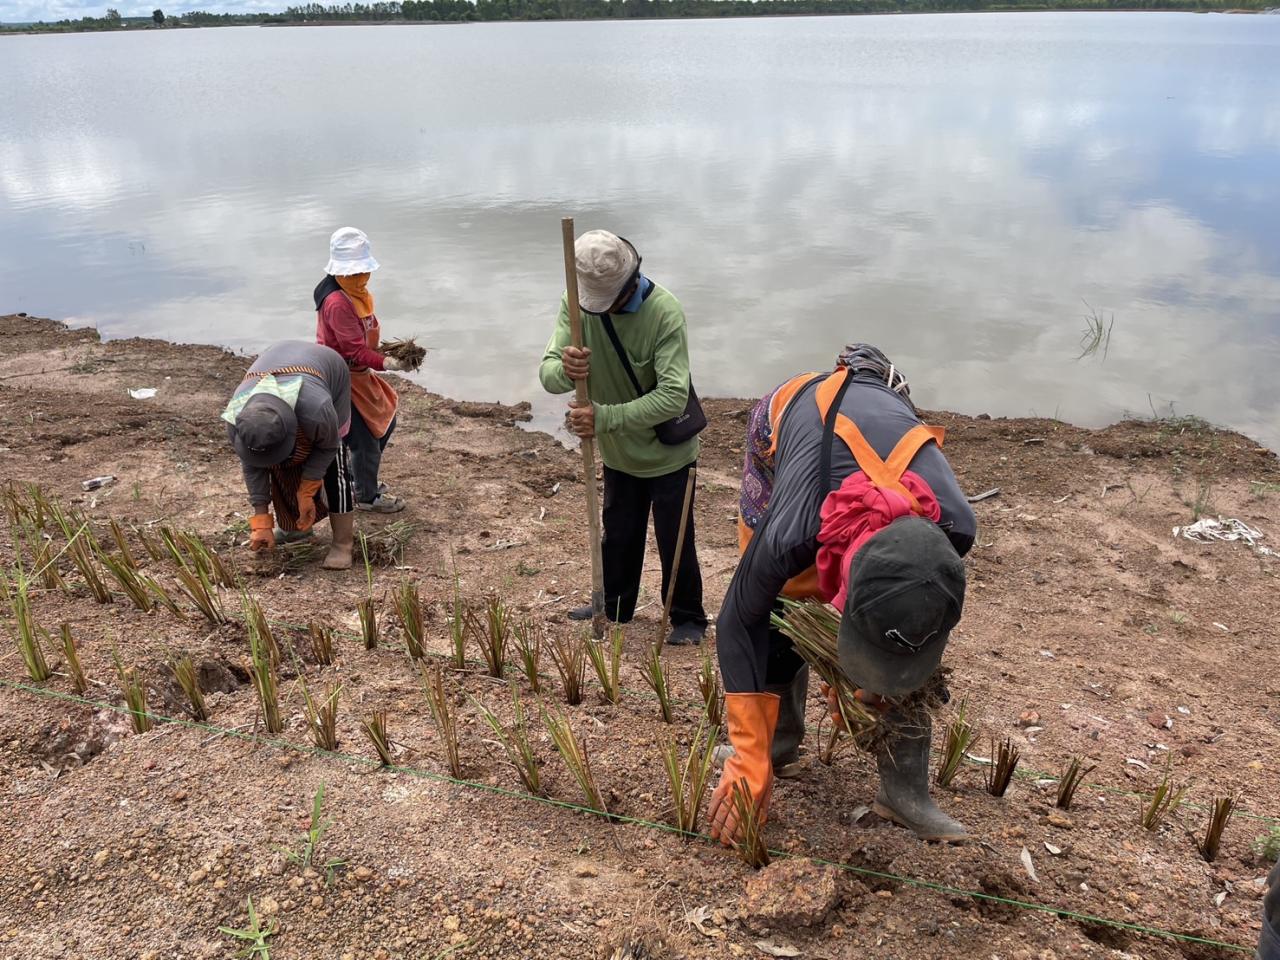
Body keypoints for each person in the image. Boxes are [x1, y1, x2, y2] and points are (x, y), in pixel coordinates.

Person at [708, 344, 978, 847]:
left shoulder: (955, 527)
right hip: (788, 421)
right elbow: (738, 619)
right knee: (783, 598)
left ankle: (904, 792)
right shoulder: (793, 529)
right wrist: (746, 755)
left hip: (872, 441)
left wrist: (871, 673)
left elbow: (913, 620)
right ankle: (774, 746)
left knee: (907, 623)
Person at [538, 230, 708, 646]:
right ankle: (615, 606)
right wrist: (567, 369)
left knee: (676, 540)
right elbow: (549, 376)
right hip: (617, 455)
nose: (601, 308)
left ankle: (688, 617)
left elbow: (672, 396)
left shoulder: (664, 311)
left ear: (631, 280)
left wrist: (605, 417)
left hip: (669, 455)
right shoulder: (575, 304)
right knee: (618, 533)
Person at [224, 341, 356, 570]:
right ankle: (295, 529)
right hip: (279, 362)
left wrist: (307, 489)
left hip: (329, 370)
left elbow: (328, 447)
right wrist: (261, 522)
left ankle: (343, 544)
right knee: (280, 462)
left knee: (336, 469)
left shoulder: (316, 408)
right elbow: (253, 466)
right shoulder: (237, 418)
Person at [314, 226, 409, 513]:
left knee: (386, 420)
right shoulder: (337, 303)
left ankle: (359, 479)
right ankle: (367, 497)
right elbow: (354, 350)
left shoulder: (357, 294)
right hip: (341, 377)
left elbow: (362, 341)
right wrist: (388, 363)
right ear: (340, 272)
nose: (362, 276)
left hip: (359, 373)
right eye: (355, 272)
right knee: (365, 437)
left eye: (364, 271)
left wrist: (387, 352)